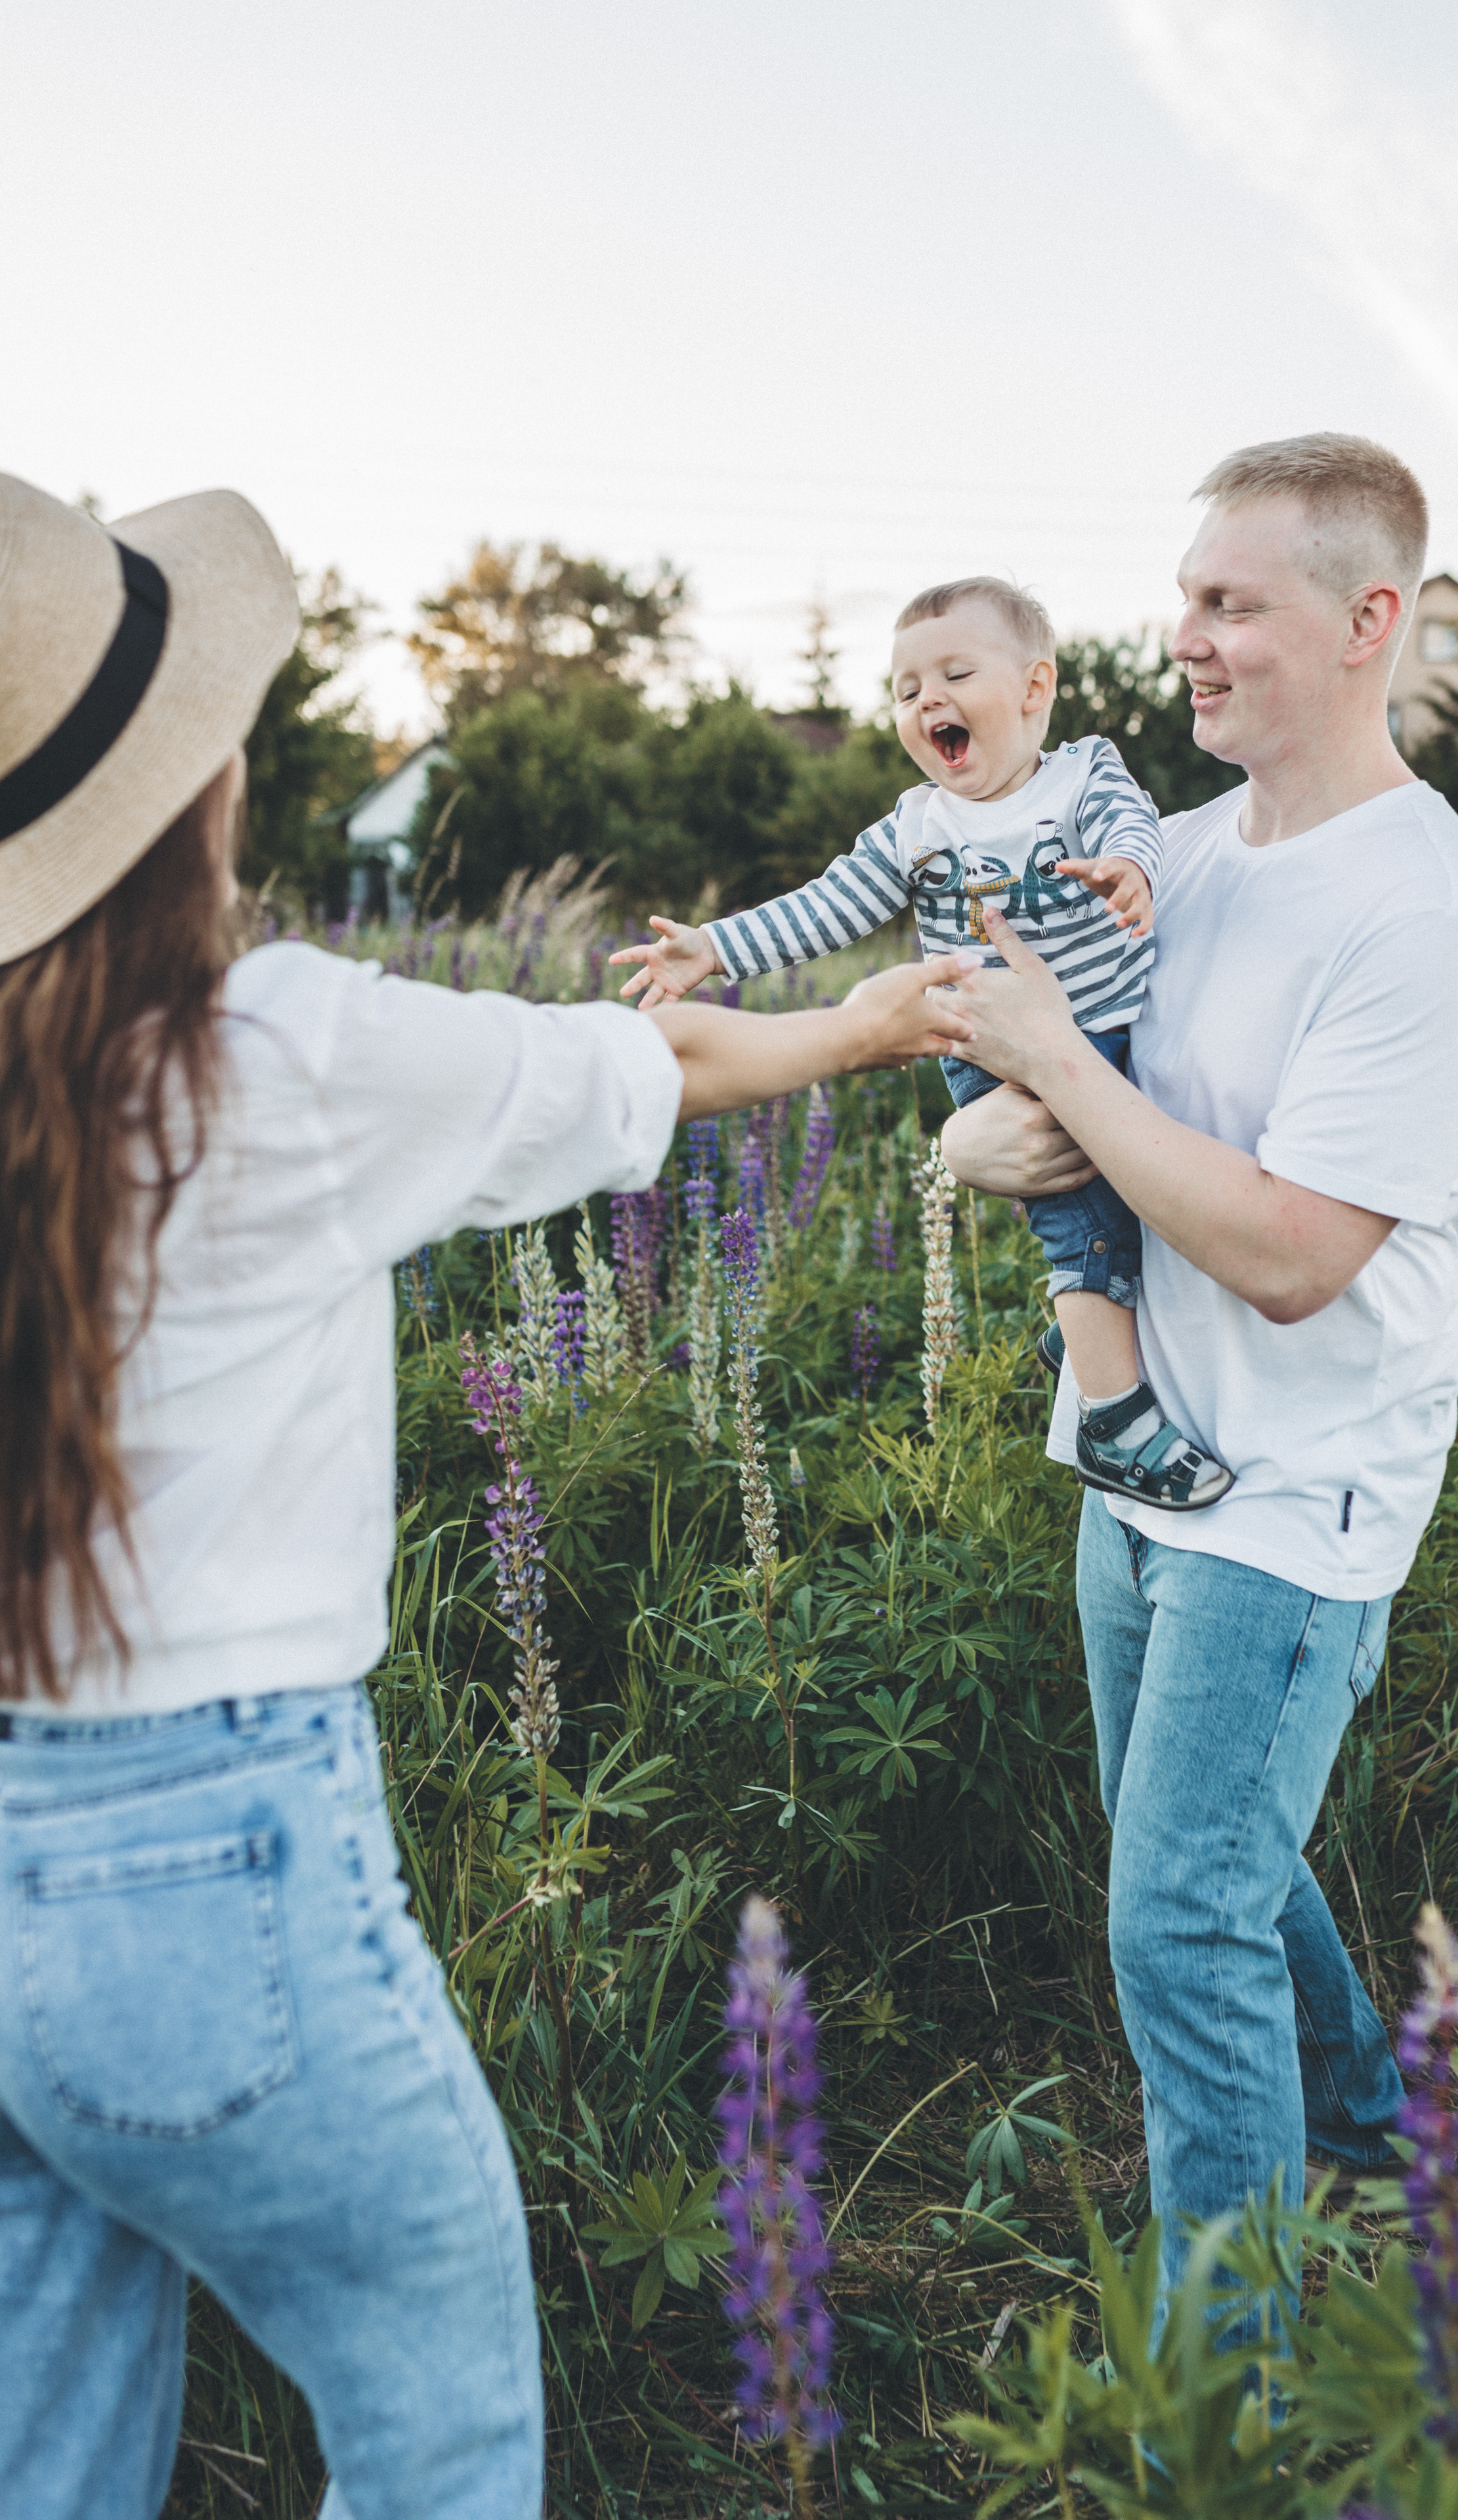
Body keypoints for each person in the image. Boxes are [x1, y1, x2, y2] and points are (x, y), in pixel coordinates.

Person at [0, 472, 977, 2520]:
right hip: (213, 1836)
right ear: (185, 793)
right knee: (439, 2428)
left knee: (49, 2440)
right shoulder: (256, 1049)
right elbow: (644, 1076)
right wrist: (876, 1022)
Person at [939, 434, 1458, 2322]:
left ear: (1368, 623)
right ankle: (1379, 2124)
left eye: (1229, 604)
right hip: (1137, 1463)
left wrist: (1073, 1091)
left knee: (1180, 1918)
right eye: (1183, 596)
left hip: (1296, 1488)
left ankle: (1229, 2395)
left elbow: (1292, 1257)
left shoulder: (1426, 913)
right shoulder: (1170, 861)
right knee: (1210, 1860)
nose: (1181, 637)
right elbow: (986, 1053)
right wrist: (973, 1143)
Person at [608, 578, 1233, 1508]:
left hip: (1111, 1033)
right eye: (905, 690)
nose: (925, 699)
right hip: (995, 1052)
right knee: (1084, 1227)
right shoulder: (919, 827)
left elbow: (1128, 822)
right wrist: (715, 948)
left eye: (953, 673)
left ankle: (1080, 1338)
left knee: (1145, 1198)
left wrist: (1129, 868)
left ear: (1033, 689)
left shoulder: (1084, 775)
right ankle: (1111, 1418)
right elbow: (828, 905)